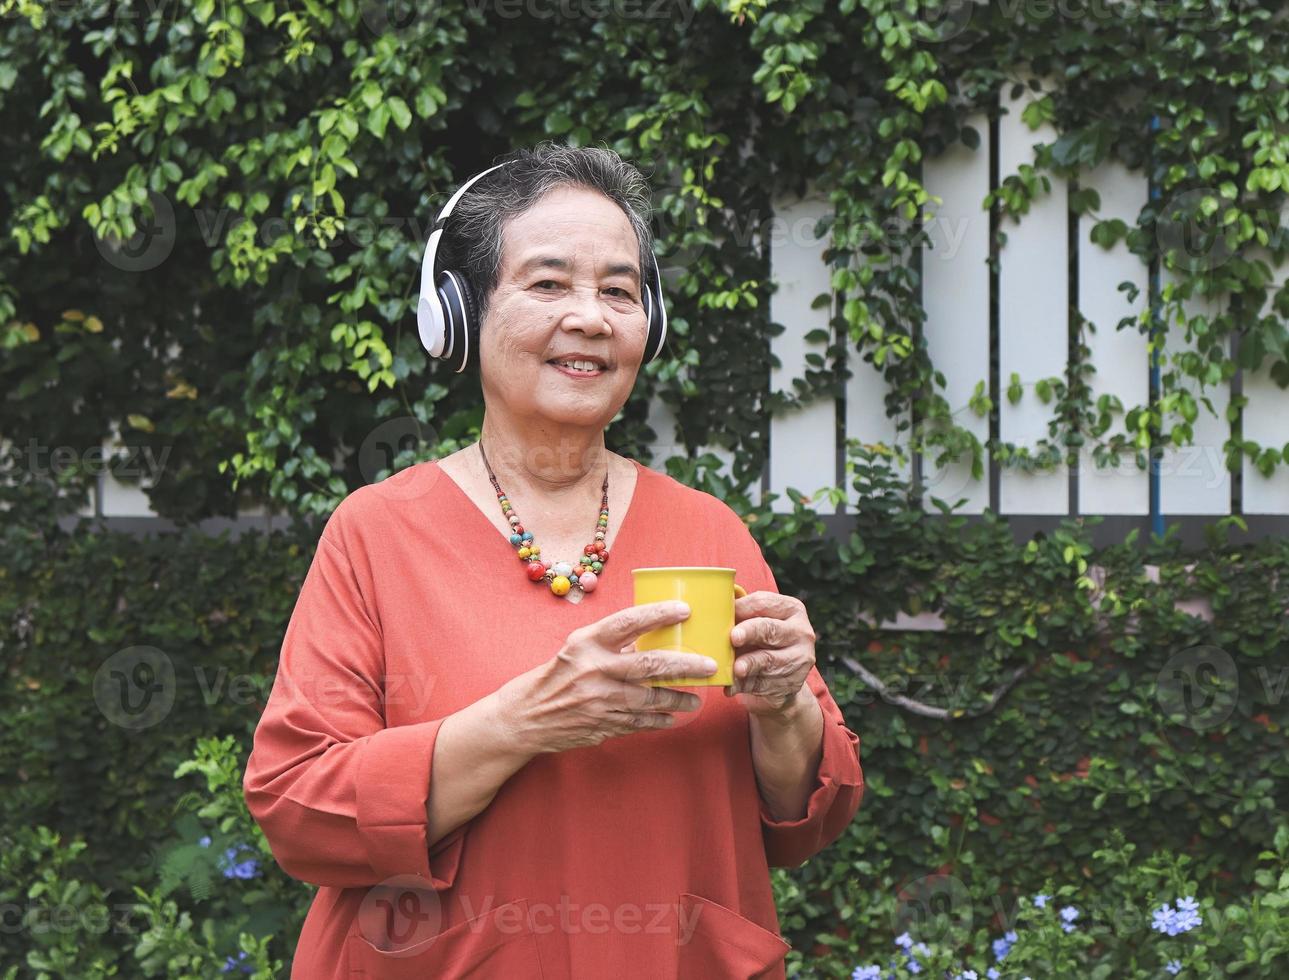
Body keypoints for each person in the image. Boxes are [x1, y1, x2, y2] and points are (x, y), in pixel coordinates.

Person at [243, 141, 863, 979]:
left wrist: (784, 706)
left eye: (619, 290)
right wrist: (518, 723)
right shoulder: (378, 532)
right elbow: (297, 805)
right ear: (456, 313)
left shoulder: (710, 531)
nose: (592, 317)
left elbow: (807, 813)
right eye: (547, 284)